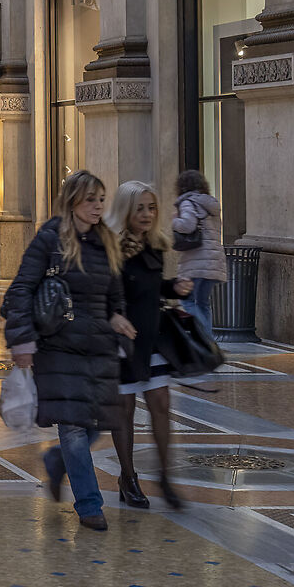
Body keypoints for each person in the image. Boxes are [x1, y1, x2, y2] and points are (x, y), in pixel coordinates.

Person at [1, 170, 133, 531]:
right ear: (73, 201)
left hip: (99, 347)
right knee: (74, 427)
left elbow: (115, 293)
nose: (98, 207)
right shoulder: (50, 239)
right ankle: (90, 504)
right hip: (59, 348)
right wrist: (22, 343)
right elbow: (21, 291)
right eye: (91, 200)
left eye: (101, 199)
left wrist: (119, 317)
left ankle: (58, 460)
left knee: (98, 423)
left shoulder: (107, 241)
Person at [106, 181, 192, 511]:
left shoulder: (155, 244)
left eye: (152, 207)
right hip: (123, 340)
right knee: (124, 411)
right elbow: (101, 292)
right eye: (140, 207)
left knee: (161, 404)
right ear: (126, 210)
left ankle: (167, 478)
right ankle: (128, 479)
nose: (146, 214)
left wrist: (175, 287)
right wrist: (113, 318)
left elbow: (152, 288)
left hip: (153, 339)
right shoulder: (111, 247)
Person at [172, 168, 224, 338]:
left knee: (187, 301)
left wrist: (174, 221)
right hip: (214, 261)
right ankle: (208, 342)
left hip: (196, 261)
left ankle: (202, 339)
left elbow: (187, 225)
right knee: (203, 303)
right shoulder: (211, 205)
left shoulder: (188, 202)